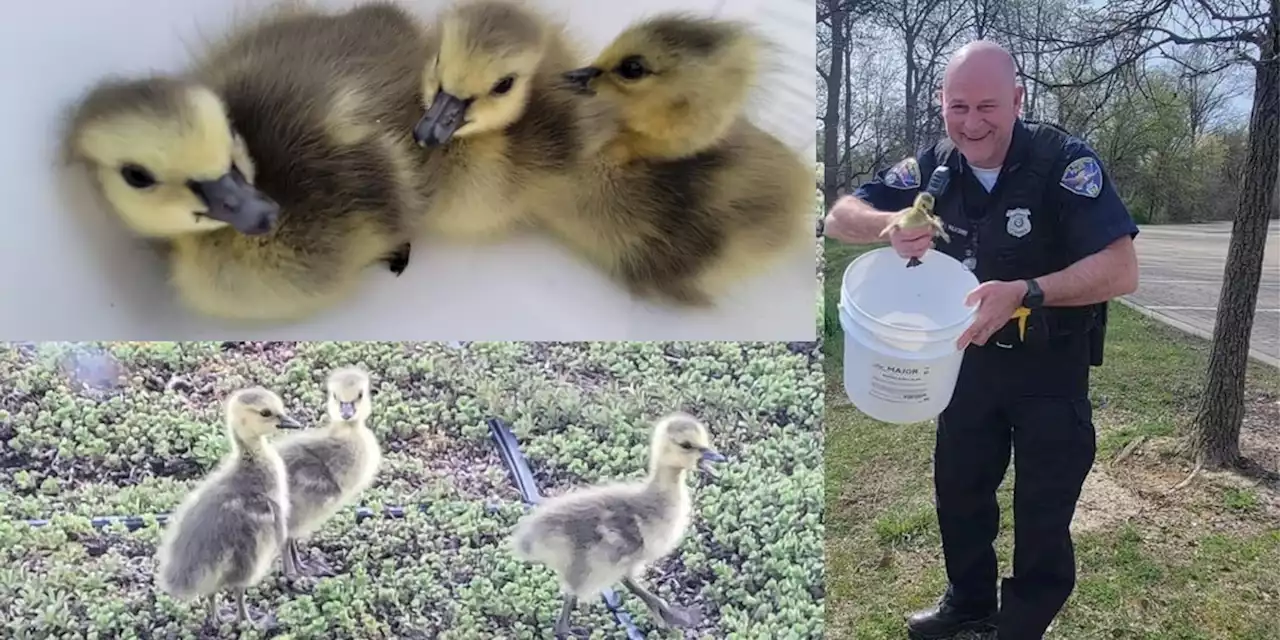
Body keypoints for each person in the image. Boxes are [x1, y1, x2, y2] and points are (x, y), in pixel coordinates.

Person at [824, 41, 1139, 640]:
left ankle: (1020, 626)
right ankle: (968, 605)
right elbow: (841, 216)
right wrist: (887, 225)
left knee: (1042, 511)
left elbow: (1121, 269)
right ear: (941, 104)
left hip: (1050, 364)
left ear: (1018, 100)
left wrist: (1026, 290)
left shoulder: (1063, 163)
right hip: (966, 362)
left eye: (988, 106)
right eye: (958, 106)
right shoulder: (935, 168)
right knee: (960, 494)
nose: (972, 124)